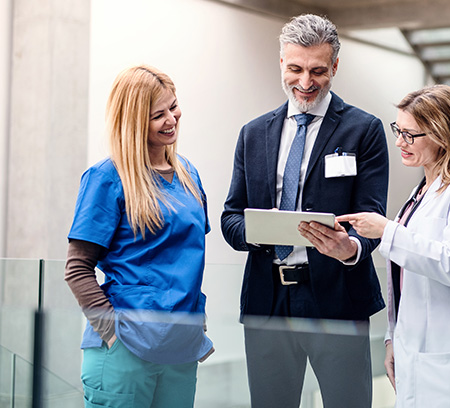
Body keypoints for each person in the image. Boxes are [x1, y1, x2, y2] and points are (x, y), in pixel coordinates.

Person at [221, 14, 389, 408]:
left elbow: (372, 216)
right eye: (295, 68)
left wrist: (351, 249)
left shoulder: (364, 130)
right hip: (268, 300)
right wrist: (261, 229)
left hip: (337, 299)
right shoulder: (253, 133)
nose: (305, 82)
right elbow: (230, 219)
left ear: (334, 67)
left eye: (317, 71)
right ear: (281, 63)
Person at [337, 84, 450, 407]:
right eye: (398, 130)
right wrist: (392, 339)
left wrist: (386, 231)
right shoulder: (417, 198)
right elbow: (404, 283)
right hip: (413, 357)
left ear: (441, 134)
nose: (399, 141)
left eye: (410, 135)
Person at [65, 65, 214, 408]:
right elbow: (77, 269)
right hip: (125, 350)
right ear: (133, 121)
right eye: (157, 115)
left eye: (173, 107)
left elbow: (185, 257)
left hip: (180, 347)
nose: (171, 120)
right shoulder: (106, 177)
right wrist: (113, 334)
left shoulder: (188, 174)